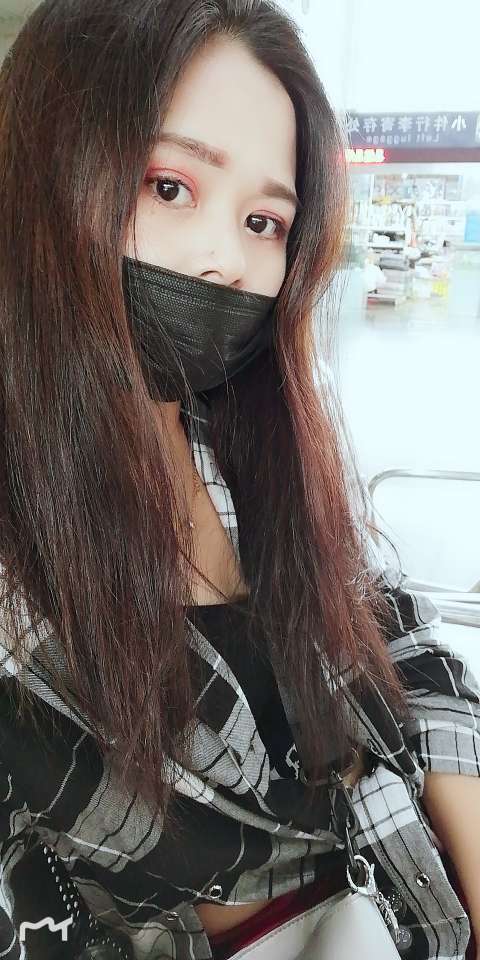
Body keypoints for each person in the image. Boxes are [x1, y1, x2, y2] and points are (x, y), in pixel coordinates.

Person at [0, 1, 479, 959]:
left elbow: (386, 630)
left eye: (264, 221)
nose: (225, 260)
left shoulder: (246, 446)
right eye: (169, 186)